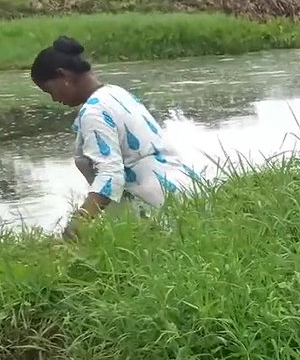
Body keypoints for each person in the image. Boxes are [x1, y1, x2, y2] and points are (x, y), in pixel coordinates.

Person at [30, 36, 198, 239]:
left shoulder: (94, 111)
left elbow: (110, 175)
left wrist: (78, 223)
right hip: (186, 193)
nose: (54, 99)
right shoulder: (115, 93)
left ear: (63, 75)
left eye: (49, 90)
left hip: (158, 207)